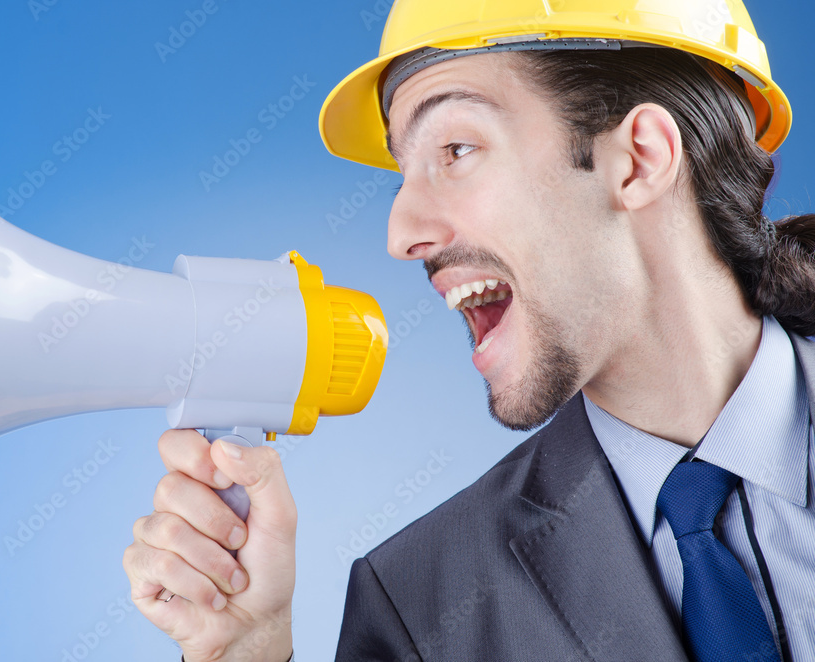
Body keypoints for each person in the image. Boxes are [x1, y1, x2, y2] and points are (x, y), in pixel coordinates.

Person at [123, 0, 815, 659]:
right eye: (403, 173)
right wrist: (248, 655)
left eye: (455, 149)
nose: (399, 234)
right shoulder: (422, 606)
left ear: (639, 157)